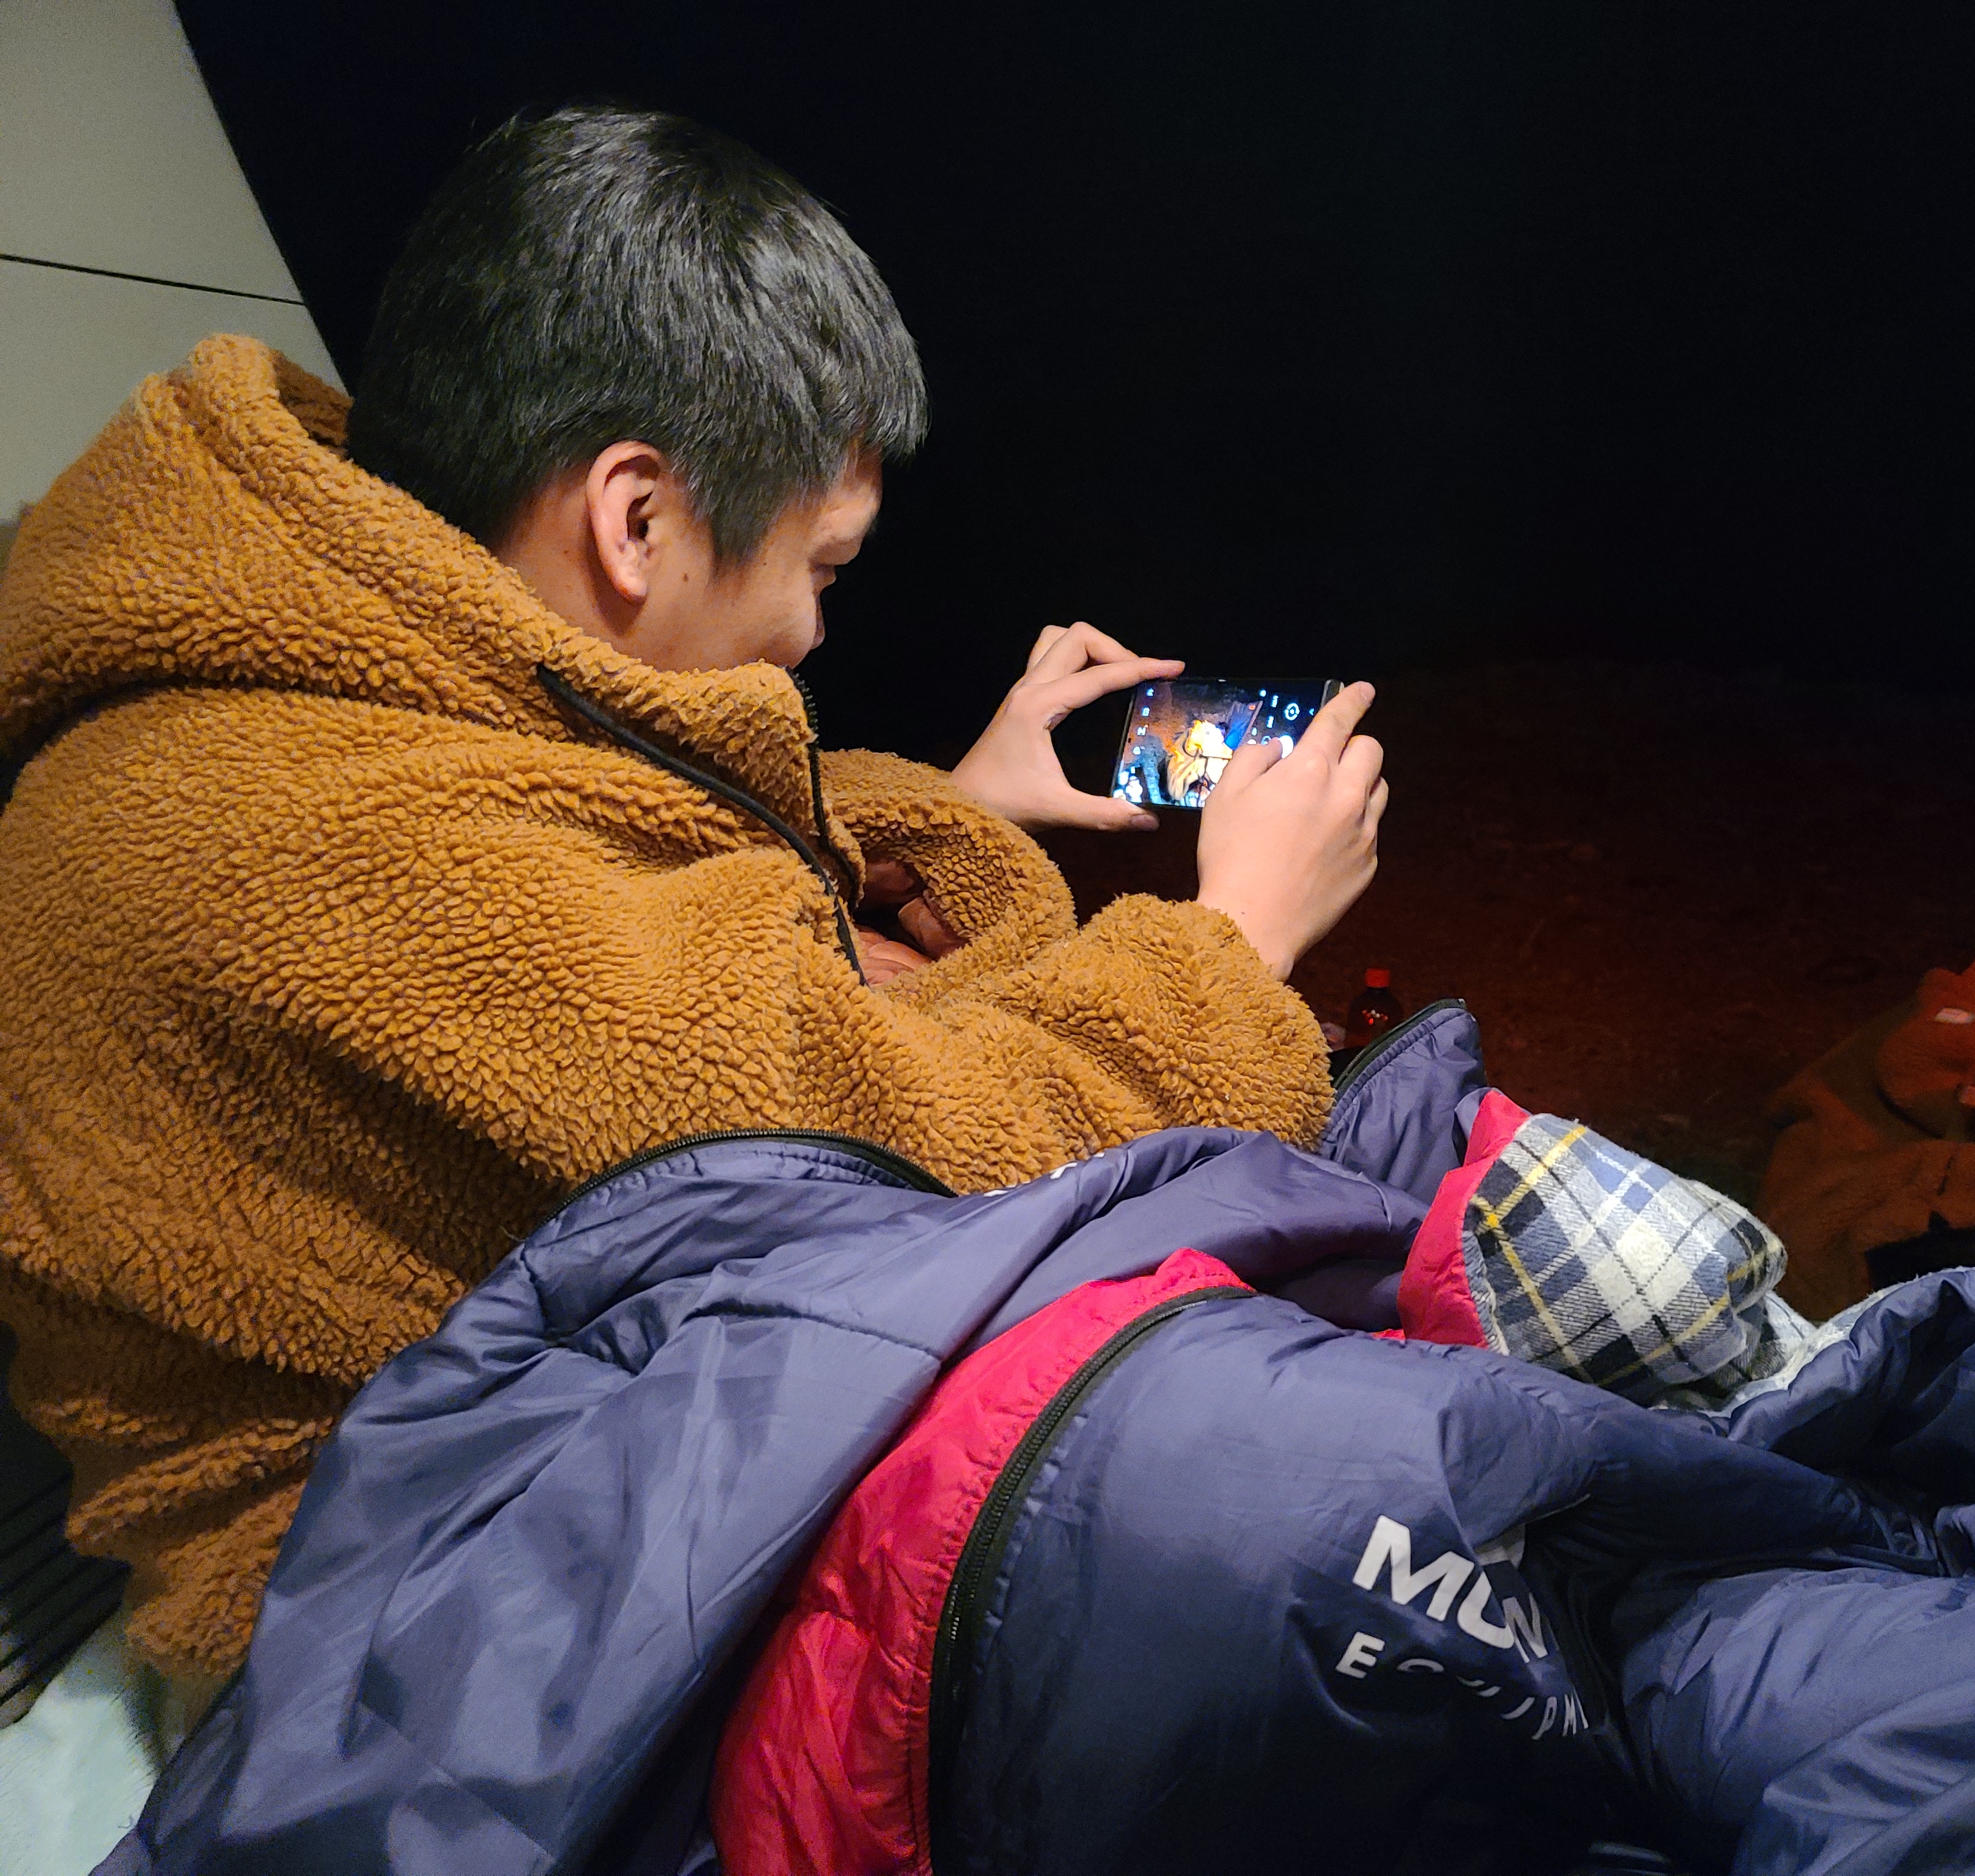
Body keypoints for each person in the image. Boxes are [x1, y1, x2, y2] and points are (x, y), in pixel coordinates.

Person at [0, 106, 1385, 1686]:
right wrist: (1234, 937)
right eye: (822, 567)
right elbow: (945, 1170)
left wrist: (958, 799)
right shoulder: (335, 854)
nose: (811, 634)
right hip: (412, 1630)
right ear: (637, 518)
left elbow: (614, 847)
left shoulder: (297, 654)